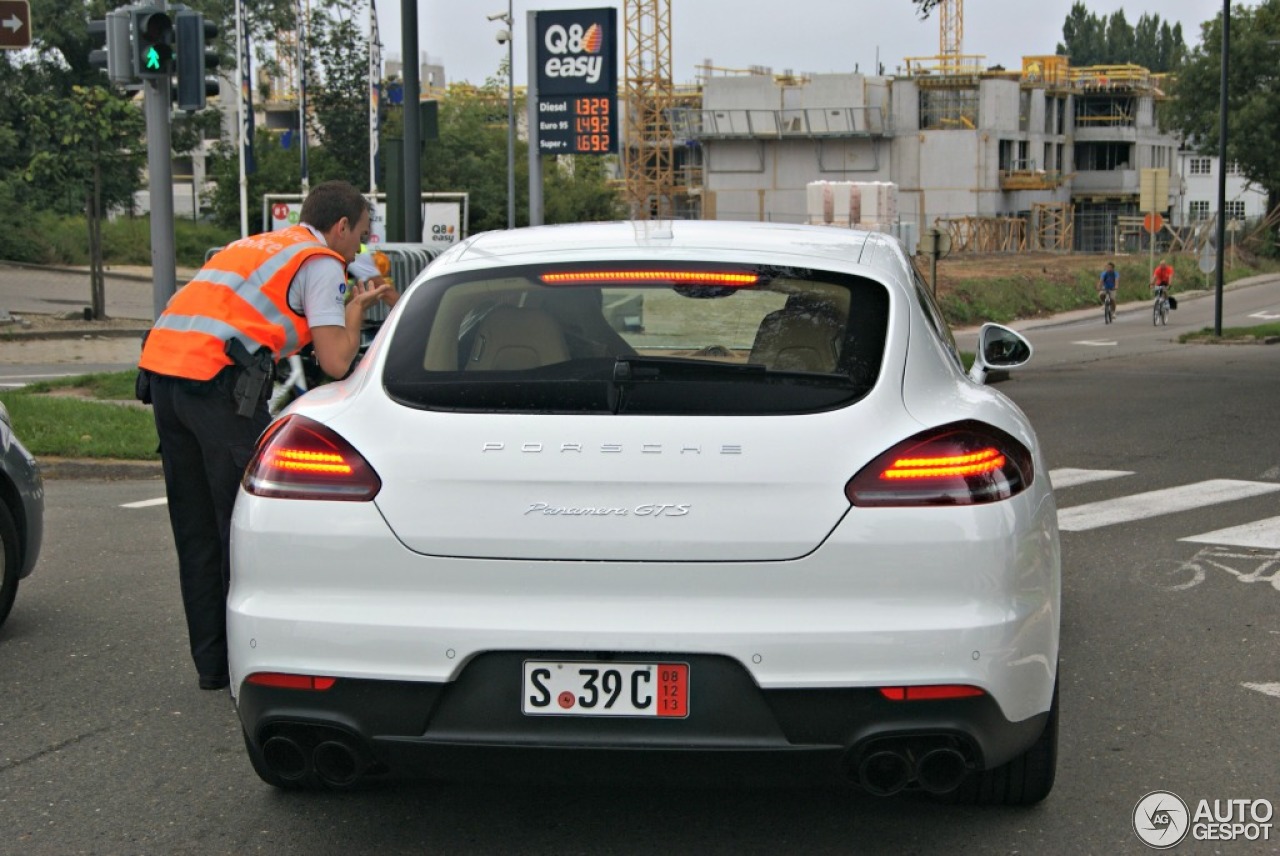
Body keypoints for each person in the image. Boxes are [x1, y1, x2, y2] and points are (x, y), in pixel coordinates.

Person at [137, 180, 392, 691]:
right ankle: (249, 668)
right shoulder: (320, 263)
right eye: (361, 236)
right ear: (340, 227)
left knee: (196, 531)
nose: (361, 248)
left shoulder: (257, 245)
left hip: (164, 378)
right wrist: (357, 312)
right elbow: (337, 360)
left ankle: (214, 666)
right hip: (219, 389)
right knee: (243, 530)